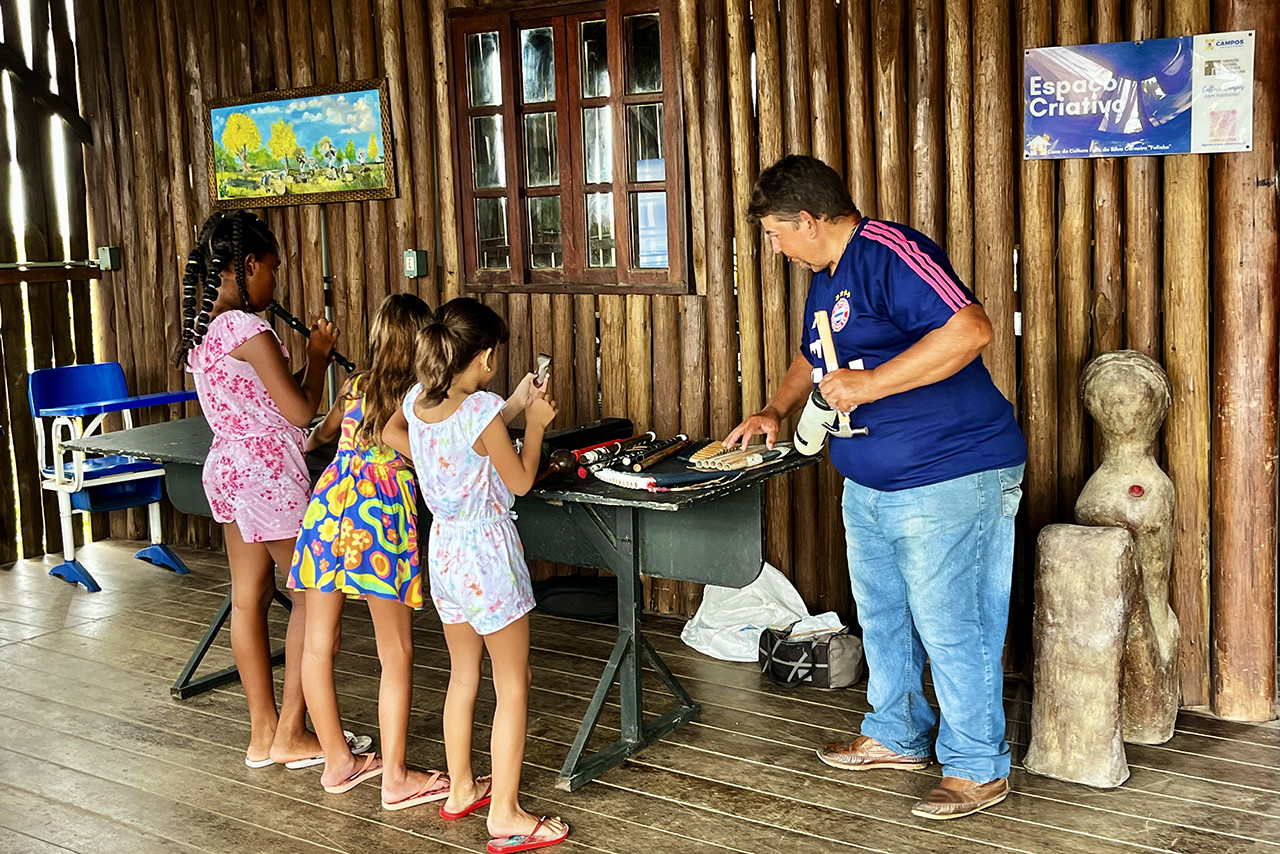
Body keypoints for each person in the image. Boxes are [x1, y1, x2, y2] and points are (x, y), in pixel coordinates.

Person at [725, 155, 1027, 820]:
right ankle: (896, 733)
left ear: (808, 220)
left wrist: (872, 385)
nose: (773, 247)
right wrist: (775, 410)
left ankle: (978, 766)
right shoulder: (825, 276)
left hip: (952, 473)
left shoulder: (890, 250)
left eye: (775, 234)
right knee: (886, 617)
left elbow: (970, 331)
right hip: (870, 483)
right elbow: (814, 355)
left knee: (955, 626)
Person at [382, 297, 570, 853]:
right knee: (514, 684)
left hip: (443, 550)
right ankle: (506, 814)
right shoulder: (481, 411)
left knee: (463, 676)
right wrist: (533, 423)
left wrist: (438, 457)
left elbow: (396, 434)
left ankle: (462, 788)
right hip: (488, 553)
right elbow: (520, 482)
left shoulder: (419, 401)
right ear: (486, 357)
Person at [177, 210, 349, 768]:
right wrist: (320, 357)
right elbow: (300, 411)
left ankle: (263, 735)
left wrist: (313, 360)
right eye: (271, 269)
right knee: (309, 597)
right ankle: (295, 734)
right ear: (247, 265)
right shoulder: (249, 329)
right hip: (268, 475)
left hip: (229, 468)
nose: (275, 283)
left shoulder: (204, 333)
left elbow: (275, 401)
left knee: (247, 600)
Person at [287, 292, 449, 807]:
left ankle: (338, 760)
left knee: (318, 642)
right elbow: (430, 458)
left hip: (328, 510)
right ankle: (396, 777)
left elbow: (316, 439)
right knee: (395, 651)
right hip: (379, 522)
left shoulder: (354, 387)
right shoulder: (419, 400)